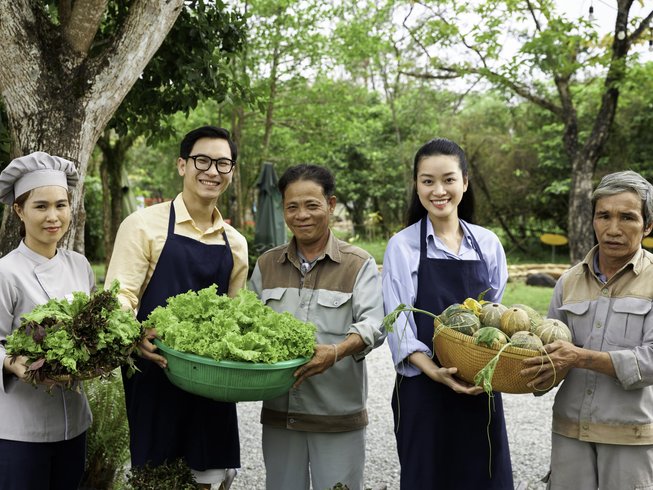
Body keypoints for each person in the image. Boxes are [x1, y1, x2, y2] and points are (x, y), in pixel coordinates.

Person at [104, 126, 248, 489]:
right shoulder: (142, 226)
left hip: (213, 385)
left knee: (211, 477)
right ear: (182, 165)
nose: (212, 171)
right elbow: (119, 296)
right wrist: (135, 334)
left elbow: (234, 316)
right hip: (155, 377)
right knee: (155, 477)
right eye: (202, 160)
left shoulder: (236, 243)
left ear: (231, 172)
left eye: (223, 163)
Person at [382, 138, 513, 489]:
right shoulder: (403, 246)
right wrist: (438, 373)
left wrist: (482, 370)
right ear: (416, 185)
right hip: (424, 391)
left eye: (448, 179)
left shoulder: (487, 244)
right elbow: (399, 327)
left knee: (486, 476)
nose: (438, 190)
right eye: (427, 181)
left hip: (480, 389)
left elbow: (496, 319)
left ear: (465, 182)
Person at [249, 164, 385, 490]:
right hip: (281, 415)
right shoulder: (267, 264)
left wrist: (337, 351)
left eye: (312, 205)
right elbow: (245, 321)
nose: (302, 215)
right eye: (292, 207)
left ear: (331, 205)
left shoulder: (357, 264)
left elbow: (374, 324)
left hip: (338, 416)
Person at [521, 170, 653, 490]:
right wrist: (513, 368)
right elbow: (549, 355)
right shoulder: (568, 282)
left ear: (647, 226)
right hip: (570, 433)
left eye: (627, 217)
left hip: (630, 437)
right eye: (603, 216)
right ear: (593, 220)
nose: (613, 229)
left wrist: (579, 357)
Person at [0, 152, 95, 490]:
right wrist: (13, 362)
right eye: (40, 206)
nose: (53, 216)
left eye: (61, 205)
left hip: (74, 425)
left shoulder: (80, 265)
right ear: (19, 210)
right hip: (20, 430)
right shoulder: (6, 271)